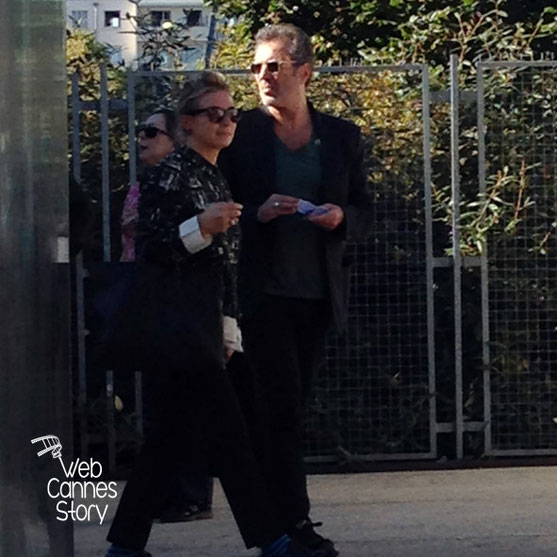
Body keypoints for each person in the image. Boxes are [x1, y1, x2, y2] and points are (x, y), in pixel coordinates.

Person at [106, 71, 310, 557]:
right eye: (212, 114)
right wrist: (200, 226)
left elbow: (225, 266)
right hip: (179, 328)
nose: (225, 122)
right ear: (187, 123)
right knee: (233, 437)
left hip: (202, 326)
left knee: (167, 441)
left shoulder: (213, 173)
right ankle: (274, 540)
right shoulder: (169, 175)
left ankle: (125, 545)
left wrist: (228, 327)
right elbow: (151, 251)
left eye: (231, 113)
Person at [218, 23, 373, 557]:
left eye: (275, 67)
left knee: (287, 409)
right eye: (256, 67)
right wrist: (255, 214)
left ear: (304, 72)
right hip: (261, 297)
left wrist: (340, 218)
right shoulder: (242, 134)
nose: (263, 77)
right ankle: (291, 527)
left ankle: (276, 527)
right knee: (279, 410)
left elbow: (368, 211)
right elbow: (219, 208)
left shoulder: (342, 137)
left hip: (317, 297)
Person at [119, 107, 215, 523]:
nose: (142, 139)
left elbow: (170, 236)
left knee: (190, 403)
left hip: (181, 302)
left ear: (175, 139)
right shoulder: (146, 184)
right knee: (163, 403)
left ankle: (190, 495)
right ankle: (165, 496)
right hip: (148, 300)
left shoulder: (188, 182)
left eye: (151, 132)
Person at [120, 109, 177, 262]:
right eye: (141, 130)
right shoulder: (139, 186)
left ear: (174, 141)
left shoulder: (184, 185)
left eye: (152, 131)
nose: (142, 135)